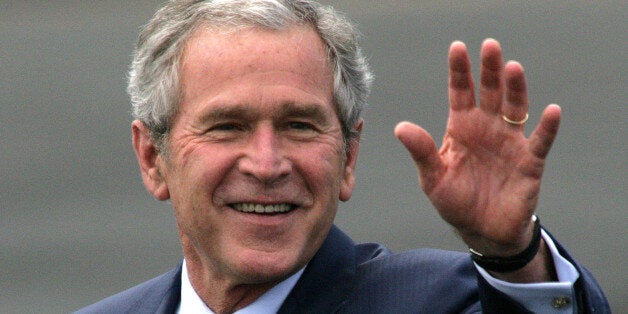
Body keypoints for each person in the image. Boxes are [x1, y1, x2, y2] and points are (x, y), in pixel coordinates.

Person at [77, 0, 610, 313]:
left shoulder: (446, 301)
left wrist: (512, 255)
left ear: (348, 157)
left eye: (299, 126)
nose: (267, 164)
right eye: (227, 127)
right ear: (153, 157)